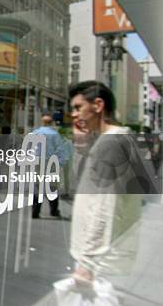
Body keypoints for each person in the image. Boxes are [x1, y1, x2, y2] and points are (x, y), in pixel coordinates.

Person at [68, 81, 143, 285]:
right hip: (104, 257)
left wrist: (87, 263)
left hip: (99, 263)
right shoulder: (114, 140)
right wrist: (83, 145)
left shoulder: (112, 145)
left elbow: (104, 206)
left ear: (98, 105)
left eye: (77, 107)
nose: (73, 114)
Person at [30, 115, 70, 218]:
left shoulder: (35, 133)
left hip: (37, 161)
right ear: (51, 123)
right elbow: (61, 149)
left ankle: (35, 211)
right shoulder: (55, 134)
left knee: (37, 186)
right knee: (52, 186)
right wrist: (60, 162)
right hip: (51, 162)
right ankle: (53, 210)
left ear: (42, 122)